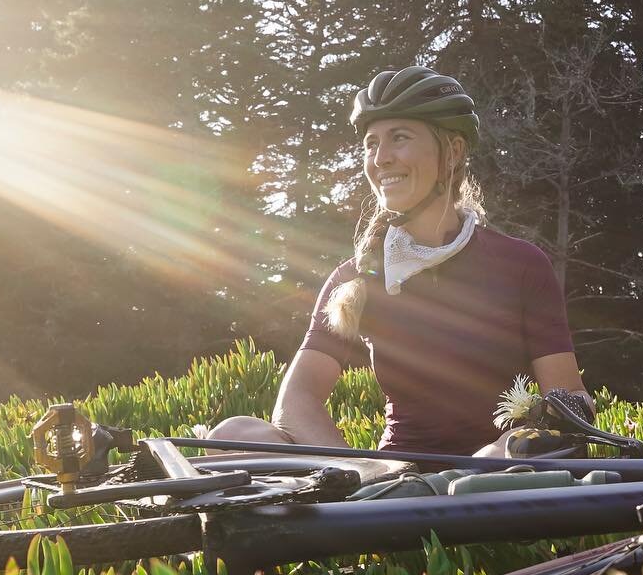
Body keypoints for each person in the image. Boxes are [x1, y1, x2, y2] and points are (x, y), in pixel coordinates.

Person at [209, 66, 591, 455]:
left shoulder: (521, 264)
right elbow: (295, 403)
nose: (381, 158)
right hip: (393, 483)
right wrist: (363, 471)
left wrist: (502, 449)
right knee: (234, 434)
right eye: (371, 144)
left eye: (400, 138)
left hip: (501, 474)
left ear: (453, 152)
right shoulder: (357, 275)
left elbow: (570, 396)